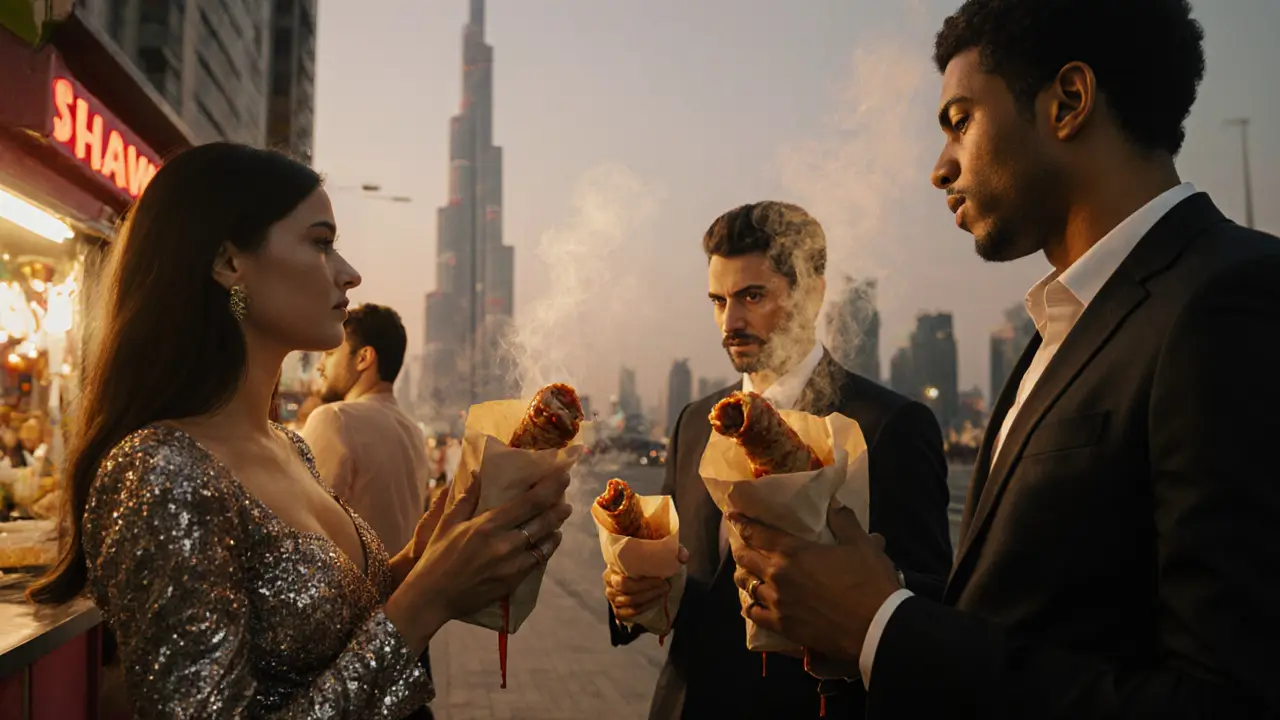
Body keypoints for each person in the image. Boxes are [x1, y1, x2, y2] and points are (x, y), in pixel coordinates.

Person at [728, 2, 1280, 717]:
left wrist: (882, 625)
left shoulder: (1227, 300)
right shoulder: (1066, 326)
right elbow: (1027, 621)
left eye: (960, 120)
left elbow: (1229, 699)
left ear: (1068, 102)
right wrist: (859, 638)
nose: (940, 167)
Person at [28, 142, 572, 718]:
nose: (350, 273)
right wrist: (428, 598)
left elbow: (328, 628)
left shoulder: (288, 445)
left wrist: (430, 555)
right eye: (320, 242)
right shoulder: (162, 472)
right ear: (229, 262)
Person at [604, 201, 952, 718]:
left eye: (752, 296)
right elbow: (678, 567)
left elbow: (928, 602)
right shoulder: (695, 420)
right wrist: (630, 596)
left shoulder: (886, 425)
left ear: (812, 292)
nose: (731, 321)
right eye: (718, 301)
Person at [304, 303, 427, 554]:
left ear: (363, 358)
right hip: (400, 588)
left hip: (347, 588)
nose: (319, 366)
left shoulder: (336, 418)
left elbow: (302, 525)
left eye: (329, 353)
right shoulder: (413, 432)